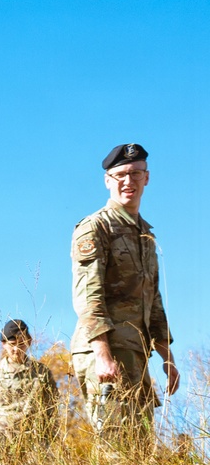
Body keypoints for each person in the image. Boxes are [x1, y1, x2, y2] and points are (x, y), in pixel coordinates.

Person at [71, 143, 178, 435]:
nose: (127, 182)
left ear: (147, 177)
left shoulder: (145, 235)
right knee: (116, 447)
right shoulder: (95, 228)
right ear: (108, 181)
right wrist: (102, 354)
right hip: (105, 350)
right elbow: (88, 295)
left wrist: (167, 358)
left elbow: (153, 300)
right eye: (120, 175)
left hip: (136, 351)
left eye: (134, 173)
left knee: (139, 450)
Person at [0, 319, 59, 453]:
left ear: (29, 342)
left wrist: (48, 435)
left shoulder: (41, 372)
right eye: (12, 344)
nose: (17, 349)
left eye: (22, 343)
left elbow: (52, 405)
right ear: (4, 344)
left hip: (34, 440)